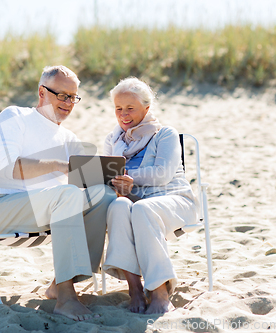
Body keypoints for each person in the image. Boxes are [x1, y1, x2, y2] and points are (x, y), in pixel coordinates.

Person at [0, 65, 117, 321]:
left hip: (47, 209)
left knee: (103, 195)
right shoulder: (14, 117)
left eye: (73, 96)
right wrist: (56, 165)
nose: (68, 102)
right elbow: (5, 169)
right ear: (42, 91)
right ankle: (65, 297)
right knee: (64, 194)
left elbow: (83, 184)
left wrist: (113, 181)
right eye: (61, 95)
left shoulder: (68, 137)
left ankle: (60, 282)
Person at [103, 77, 198, 314]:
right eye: (118, 108)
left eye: (130, 108)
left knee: (141, 208)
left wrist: (130, 180)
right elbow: (108, 177)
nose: (123, 114)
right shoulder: (112, 141)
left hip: (175, 201)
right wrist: (116, 186)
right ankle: (134, 288)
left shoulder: (165, 134)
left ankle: (159, 291)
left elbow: (163, 174)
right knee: (118, 207)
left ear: (146, 108)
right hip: (137, 206)